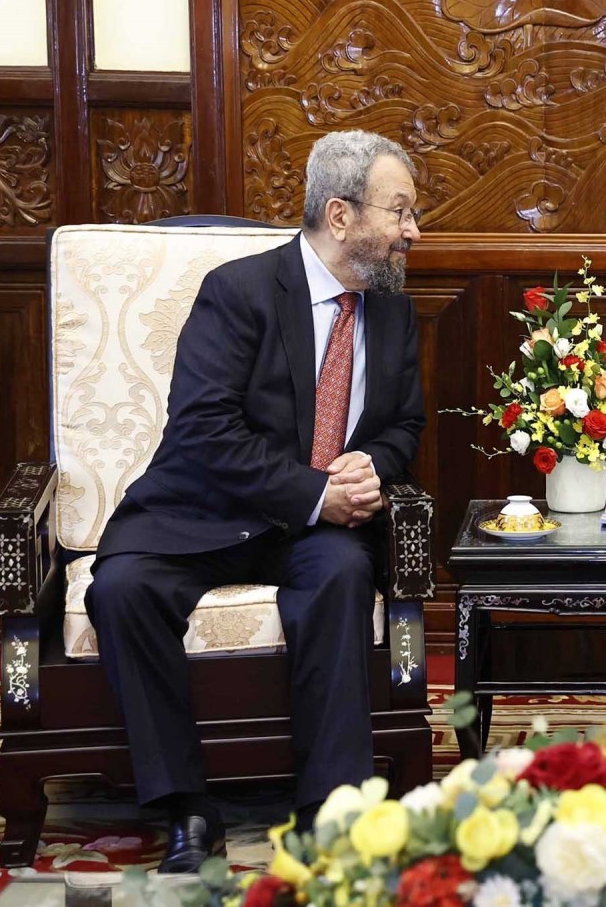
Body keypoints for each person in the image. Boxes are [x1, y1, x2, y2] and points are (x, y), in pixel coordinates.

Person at [84, 130, 426, 873]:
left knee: (341, 576)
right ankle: (184, 806)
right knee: (121, 587)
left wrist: (372, 460)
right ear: (340, 215)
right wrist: (316, 493)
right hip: (205, 508)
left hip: (313, 532)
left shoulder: (394, 312)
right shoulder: (239, 292)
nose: (412, 230)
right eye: (399, 211)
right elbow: (205, 429)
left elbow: (407, 423)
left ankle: (331, 812)